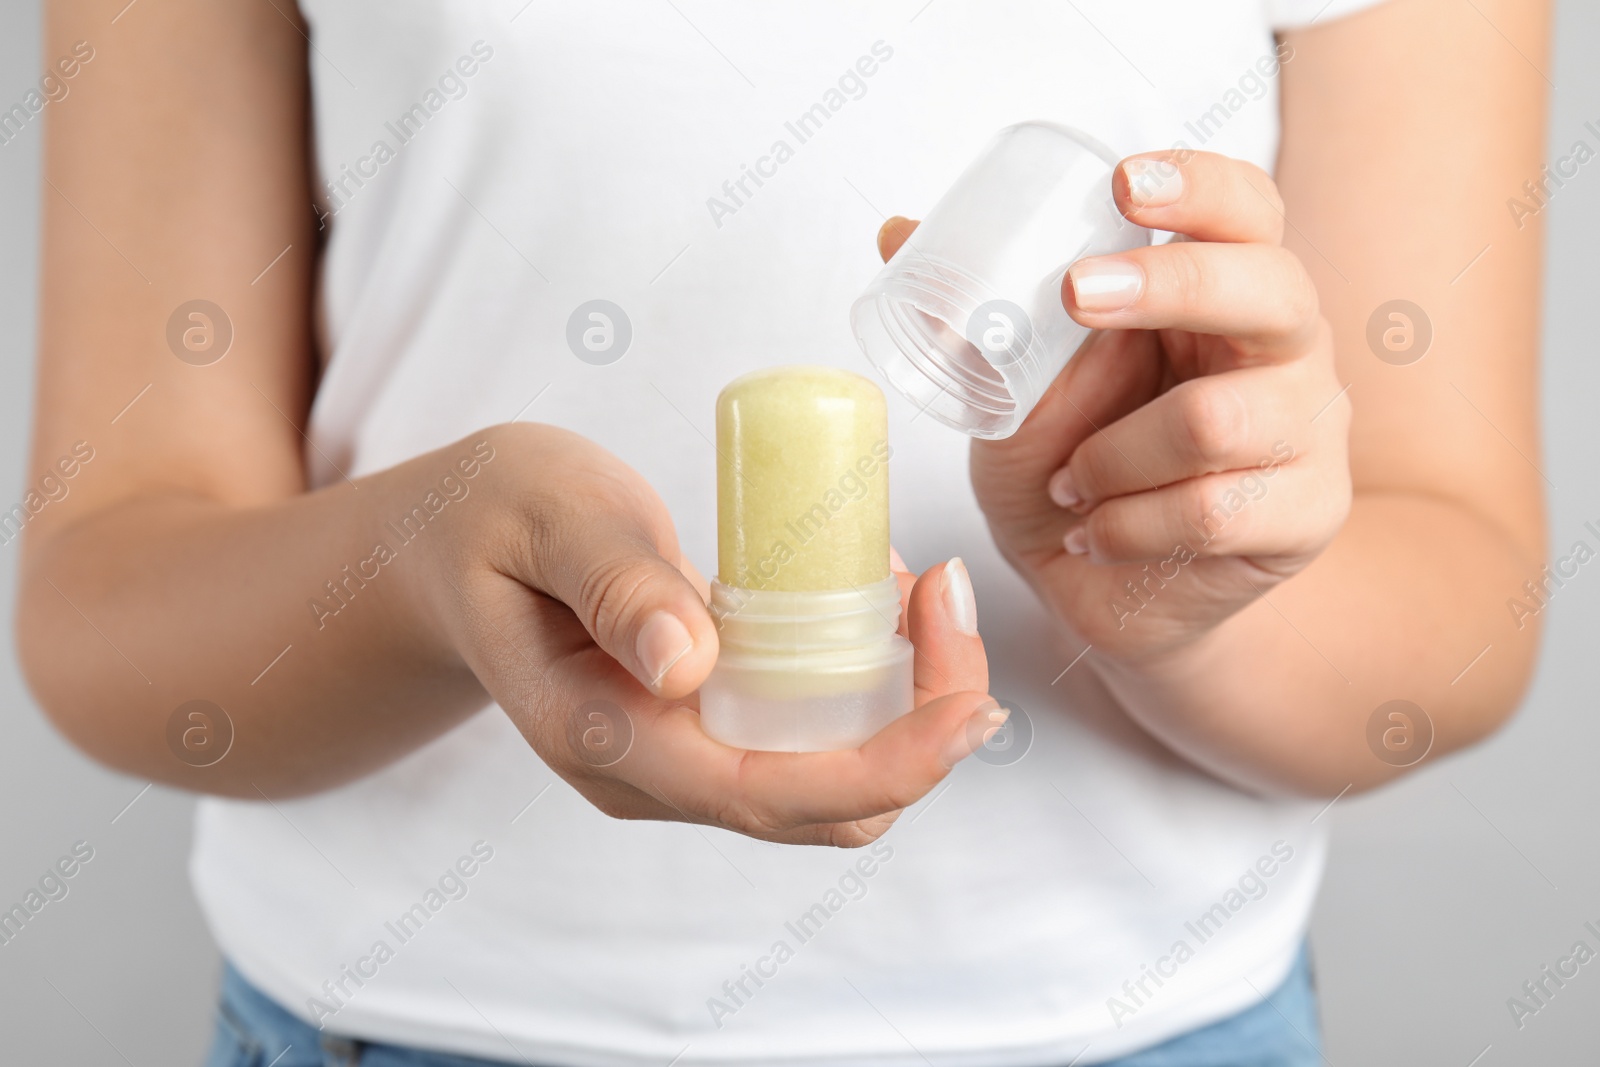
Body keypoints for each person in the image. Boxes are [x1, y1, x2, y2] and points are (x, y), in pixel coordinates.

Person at [19, 0, 1548, 1063]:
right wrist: (429, 568)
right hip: (403, 1024)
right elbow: (110, 592)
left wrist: (1184, 591)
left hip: (1143, 1035)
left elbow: (1462, 614)